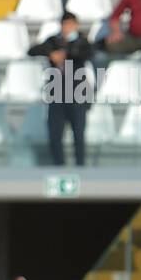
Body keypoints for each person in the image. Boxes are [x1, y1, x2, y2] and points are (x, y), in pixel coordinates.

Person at [28, 12, 94, 166]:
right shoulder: (53, 41)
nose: (68, 28)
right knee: (55, 135)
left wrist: (66, 54)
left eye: (71, 25)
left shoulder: (82, 41)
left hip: (77, 94)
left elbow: (86, 53)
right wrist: (51, 54)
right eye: (65, 25)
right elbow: (33, 50)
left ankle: (80, 167)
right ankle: (59, 167)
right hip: (57, 94)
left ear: (76, 26)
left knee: (78, 135)